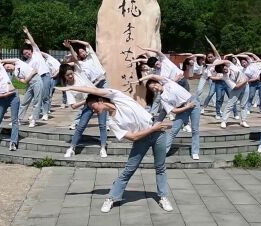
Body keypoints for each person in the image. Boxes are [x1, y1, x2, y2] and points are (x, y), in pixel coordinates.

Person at [55, 85, 173, 213]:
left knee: (160, 167)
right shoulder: (112, 122)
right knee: (129, 169)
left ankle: (163, 197)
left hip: (158, 133)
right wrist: (152, 129)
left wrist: (71, 87)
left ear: (100, 100)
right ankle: (111, 198)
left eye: (92, 107)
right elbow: (133, 137)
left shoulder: (118, 97)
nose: (93, 111)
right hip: (142, 137)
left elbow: (93, 90)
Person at [140, 74, 201, 160]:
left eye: (155, 84)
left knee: (195, 129)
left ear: (158, 83)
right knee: (174, 130)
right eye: (152, 88)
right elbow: (174, 111)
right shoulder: (162, 98)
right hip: (182, 108)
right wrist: (187, 107)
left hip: (193, 102)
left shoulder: (167, 82)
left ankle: (195, 152)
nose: (155, 87)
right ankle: (163, 152)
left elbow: (153, 75)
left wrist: (140, 79)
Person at [59, 63, 108, 158]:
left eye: (71, 73)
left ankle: (103, 148)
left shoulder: (78, 74)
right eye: (67, 75)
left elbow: (76, 61)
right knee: (81, 126)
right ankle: (72, 148)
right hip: (88, 104)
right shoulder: (68, 88)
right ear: (64, 77)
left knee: (102, 125)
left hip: (99, 100)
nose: (70, 76)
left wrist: (67, 58)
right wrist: (85, 101)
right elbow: (73, 106)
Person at [0, 56, 40, 127]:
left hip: (37, 80)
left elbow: (3, 60)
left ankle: (34, 120)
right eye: (7, 70)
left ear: (10, 63)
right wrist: (31, 74)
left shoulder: (18, 62)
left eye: (8, 66)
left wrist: (0, 63)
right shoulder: (16, 74)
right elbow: (24, 81)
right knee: (24, 102)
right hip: (30, 83)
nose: (8, 68)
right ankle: (18, 119)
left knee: (37, 101)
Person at [23, 26, 52, 121]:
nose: (27, 54)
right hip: (37, 78)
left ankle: (45, 113)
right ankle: (35, 113)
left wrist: (27, 32)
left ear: (31, 50)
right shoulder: (27, 63)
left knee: (45, 95)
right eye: (25, 54)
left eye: (27, 52)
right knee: (36, 97)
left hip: (45, 75)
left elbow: (33, 42)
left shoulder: (36, 52)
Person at [215, 58, 250, 129]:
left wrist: (217, 63)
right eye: (223, 70)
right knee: (230, 104)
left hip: (246, 86)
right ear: (221, 72)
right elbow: (235, 87)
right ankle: (224, 121)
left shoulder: (231, 66)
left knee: (243, 104)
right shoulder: (225, 77)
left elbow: (226, 61)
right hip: (238, 88)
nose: (225, 69)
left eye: (224, 67)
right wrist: (245, 81)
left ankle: (243, 121)